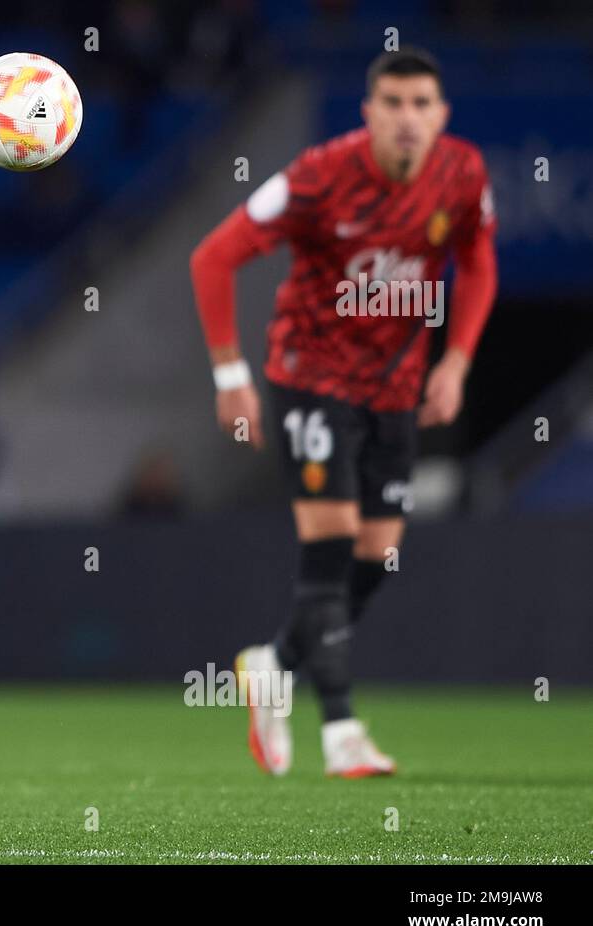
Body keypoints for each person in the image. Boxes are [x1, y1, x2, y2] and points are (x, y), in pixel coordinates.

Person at [188, 49, 496, 777]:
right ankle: (343, 730)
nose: (408, 118)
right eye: (393, 102)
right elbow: (212, 257)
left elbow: (479, 260)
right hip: (312, 374)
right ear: (369, 113)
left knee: (378, 556)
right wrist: (231, 377)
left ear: (442, 114)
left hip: (395, 389)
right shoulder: (319, 176)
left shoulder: (464, 173)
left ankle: (274, 662)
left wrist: (455, 361)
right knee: (328, 554)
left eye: (422, 102)